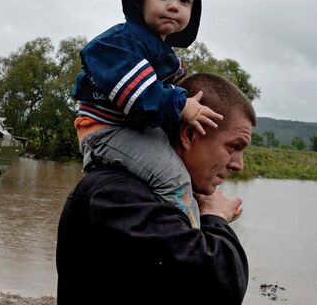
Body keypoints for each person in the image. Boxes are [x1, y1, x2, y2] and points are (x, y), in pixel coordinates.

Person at [57, 73, 255, 304]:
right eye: (234, 146)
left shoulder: (144, 195)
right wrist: (216, 218)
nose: (238, 165)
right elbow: (221, 287)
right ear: (190, 134)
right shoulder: (118, 195)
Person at [70, 0, 222, 228]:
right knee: (173, 179)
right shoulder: (119, 43)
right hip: (107, 132)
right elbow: (138, 96)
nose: (174, 5)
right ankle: (186, 240)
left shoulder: (164, 54)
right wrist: (182, 104)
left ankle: (192, 211)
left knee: (182, 166)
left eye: (185, 1)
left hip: (132, 130)